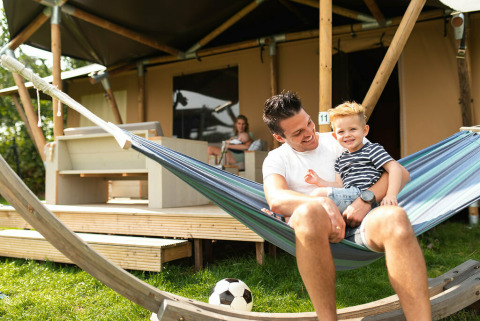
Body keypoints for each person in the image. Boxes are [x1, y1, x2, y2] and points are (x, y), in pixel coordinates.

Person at [262, 91, 431, 321]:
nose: (310, 132)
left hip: (363, 222)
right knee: (309, 212)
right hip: (317, 231)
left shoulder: (342, 136)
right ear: (280, 137)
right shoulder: (276, 158)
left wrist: (366, 199)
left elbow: (399, 172)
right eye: (298, 133)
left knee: (395, 217)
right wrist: (323, 202)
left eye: (309, 123)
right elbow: (277, 199)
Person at [304, 101, 403, 213]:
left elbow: (395, 168)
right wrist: (319, 181)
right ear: (335, 136)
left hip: (366, 195)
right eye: (341, 132)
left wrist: (391, 195)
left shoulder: (372, 149)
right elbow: (339, 185)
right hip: (349, 198)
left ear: (365, 130)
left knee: (317, 195)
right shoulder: (340, 160)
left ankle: (291, 223)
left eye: (353, 129)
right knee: (319, 199)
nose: (347, 135)